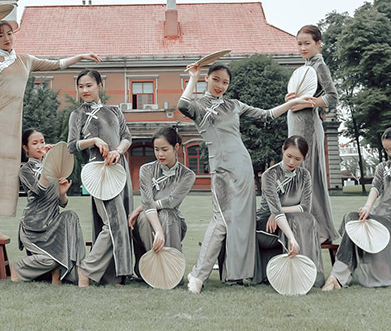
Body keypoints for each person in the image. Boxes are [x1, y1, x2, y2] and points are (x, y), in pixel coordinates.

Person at [0, 14, 101, 240]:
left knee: (1, 173)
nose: (6, 38)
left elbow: (58, 65)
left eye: (9, 33)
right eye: (0, 35)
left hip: (9, 126)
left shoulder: (26, 60)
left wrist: (81, 55)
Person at [179, 62, 310, 293]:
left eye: (225, 82)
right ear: (207, 79)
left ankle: (234, 275)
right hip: (221, 169)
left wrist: (291, 103)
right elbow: (182, 105)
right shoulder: (199, 106)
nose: (220, 85)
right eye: (216, 79)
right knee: (221, 220)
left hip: (243, 167)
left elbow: (267, 115)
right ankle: (198, 275)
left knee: (242, 223)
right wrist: (193, 77)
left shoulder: (234, 105)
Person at [323, 127, 391, 290]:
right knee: (351, 217)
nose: (389, 153)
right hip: (378, 215)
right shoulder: (382, 166)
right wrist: (367, 207)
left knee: (353, 224)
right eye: (386, 149)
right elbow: (375, 188)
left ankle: (337, 277)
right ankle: (338, 276)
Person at [69, 70, 134, 287]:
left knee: (121, 223)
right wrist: (94, 140)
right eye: (81, 86)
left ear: (99, 85)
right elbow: (72, 145)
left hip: (119, 169)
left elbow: (127, 137)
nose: (85, 90)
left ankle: (117, 276)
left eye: (89, 85)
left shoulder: (115, 111)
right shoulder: (77, 115)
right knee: (111, 222)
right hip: (98, 171)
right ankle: (86, 270)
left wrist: (118, 151)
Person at [286, 25, 339, 243]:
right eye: (299, 44)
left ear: (318, 43)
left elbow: (333, 96)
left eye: (307, 43)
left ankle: (319, 230)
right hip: (297, 124)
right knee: (300, 174)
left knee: (308, 176)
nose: (302, 47)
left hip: (308, 125)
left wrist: (311, 102)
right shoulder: (306, 67)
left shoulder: (320, 66)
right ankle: (305, 226)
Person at [11, 129, 85, 283]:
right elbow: (39, 190)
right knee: (51, 261)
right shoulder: (25, 170)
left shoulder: (53, 168)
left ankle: (80, 271)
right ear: (25, 148)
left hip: (53, 223)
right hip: (34, 227)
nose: (40, 146)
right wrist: (49, 164)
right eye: (35, 143)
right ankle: (19, 267)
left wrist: (62, 193)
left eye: (42, 142)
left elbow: (62, 203)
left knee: (71, 216)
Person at [259, 136, 324, 287]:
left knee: (306, 219)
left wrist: (277, 211)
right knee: (293, 220)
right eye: (288, 156)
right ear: (283, 150)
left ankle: (309, 276)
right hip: (265, 222)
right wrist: (292, 238)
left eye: (297, 159)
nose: (291, 162)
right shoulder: (270, 175)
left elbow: (305, 207)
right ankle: (292, 279)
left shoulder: (304, 175)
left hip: (282, 217)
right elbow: (274, 209)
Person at [128, 126, 195, 255]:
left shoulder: (187, 175)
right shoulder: (146, 170)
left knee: (167, 215)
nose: (160, 154)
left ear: (176, 147)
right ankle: (152, 266)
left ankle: (173, 267)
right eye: (156, 149)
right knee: (144, 217)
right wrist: (158, 231)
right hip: (148, 219)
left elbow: (170, 202)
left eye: (164, 149)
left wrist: (139, 208)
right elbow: (148, 204)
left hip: (172, 221)